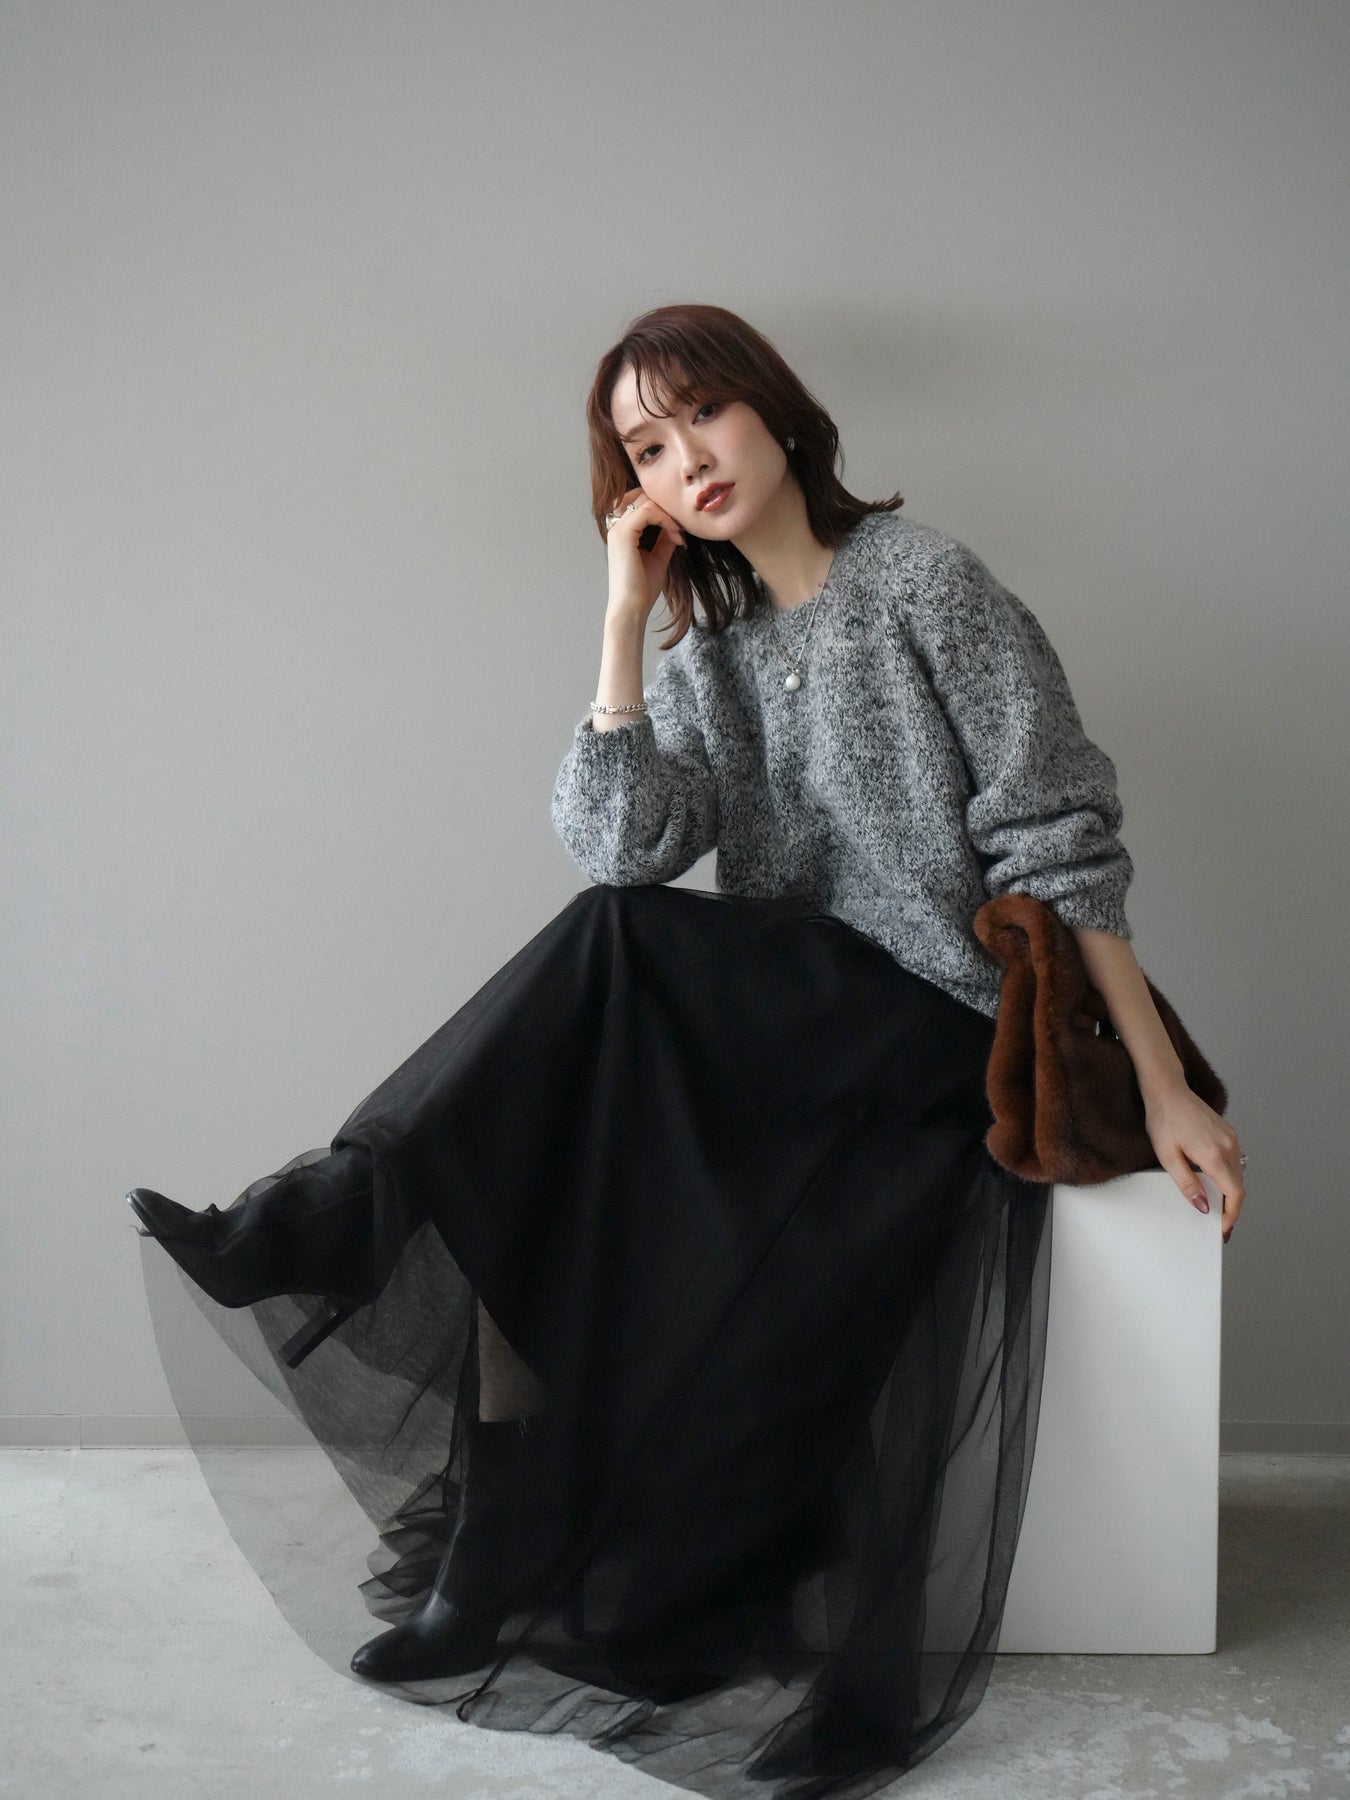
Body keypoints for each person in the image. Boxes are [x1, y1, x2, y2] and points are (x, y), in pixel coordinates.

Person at [127, 302, 1246, 1799]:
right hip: (789, 1026)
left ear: (774, 410)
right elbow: (625, 845)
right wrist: (619, 625)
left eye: (702, 414)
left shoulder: (924, 582)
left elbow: (1057, 842)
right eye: (645, 450)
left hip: (936, 1022)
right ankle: (495, 1540)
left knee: (617, 948)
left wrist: (1163, 1085)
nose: (687, 460)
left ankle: (360, 1197)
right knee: (566, 1120)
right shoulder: (711, 646)